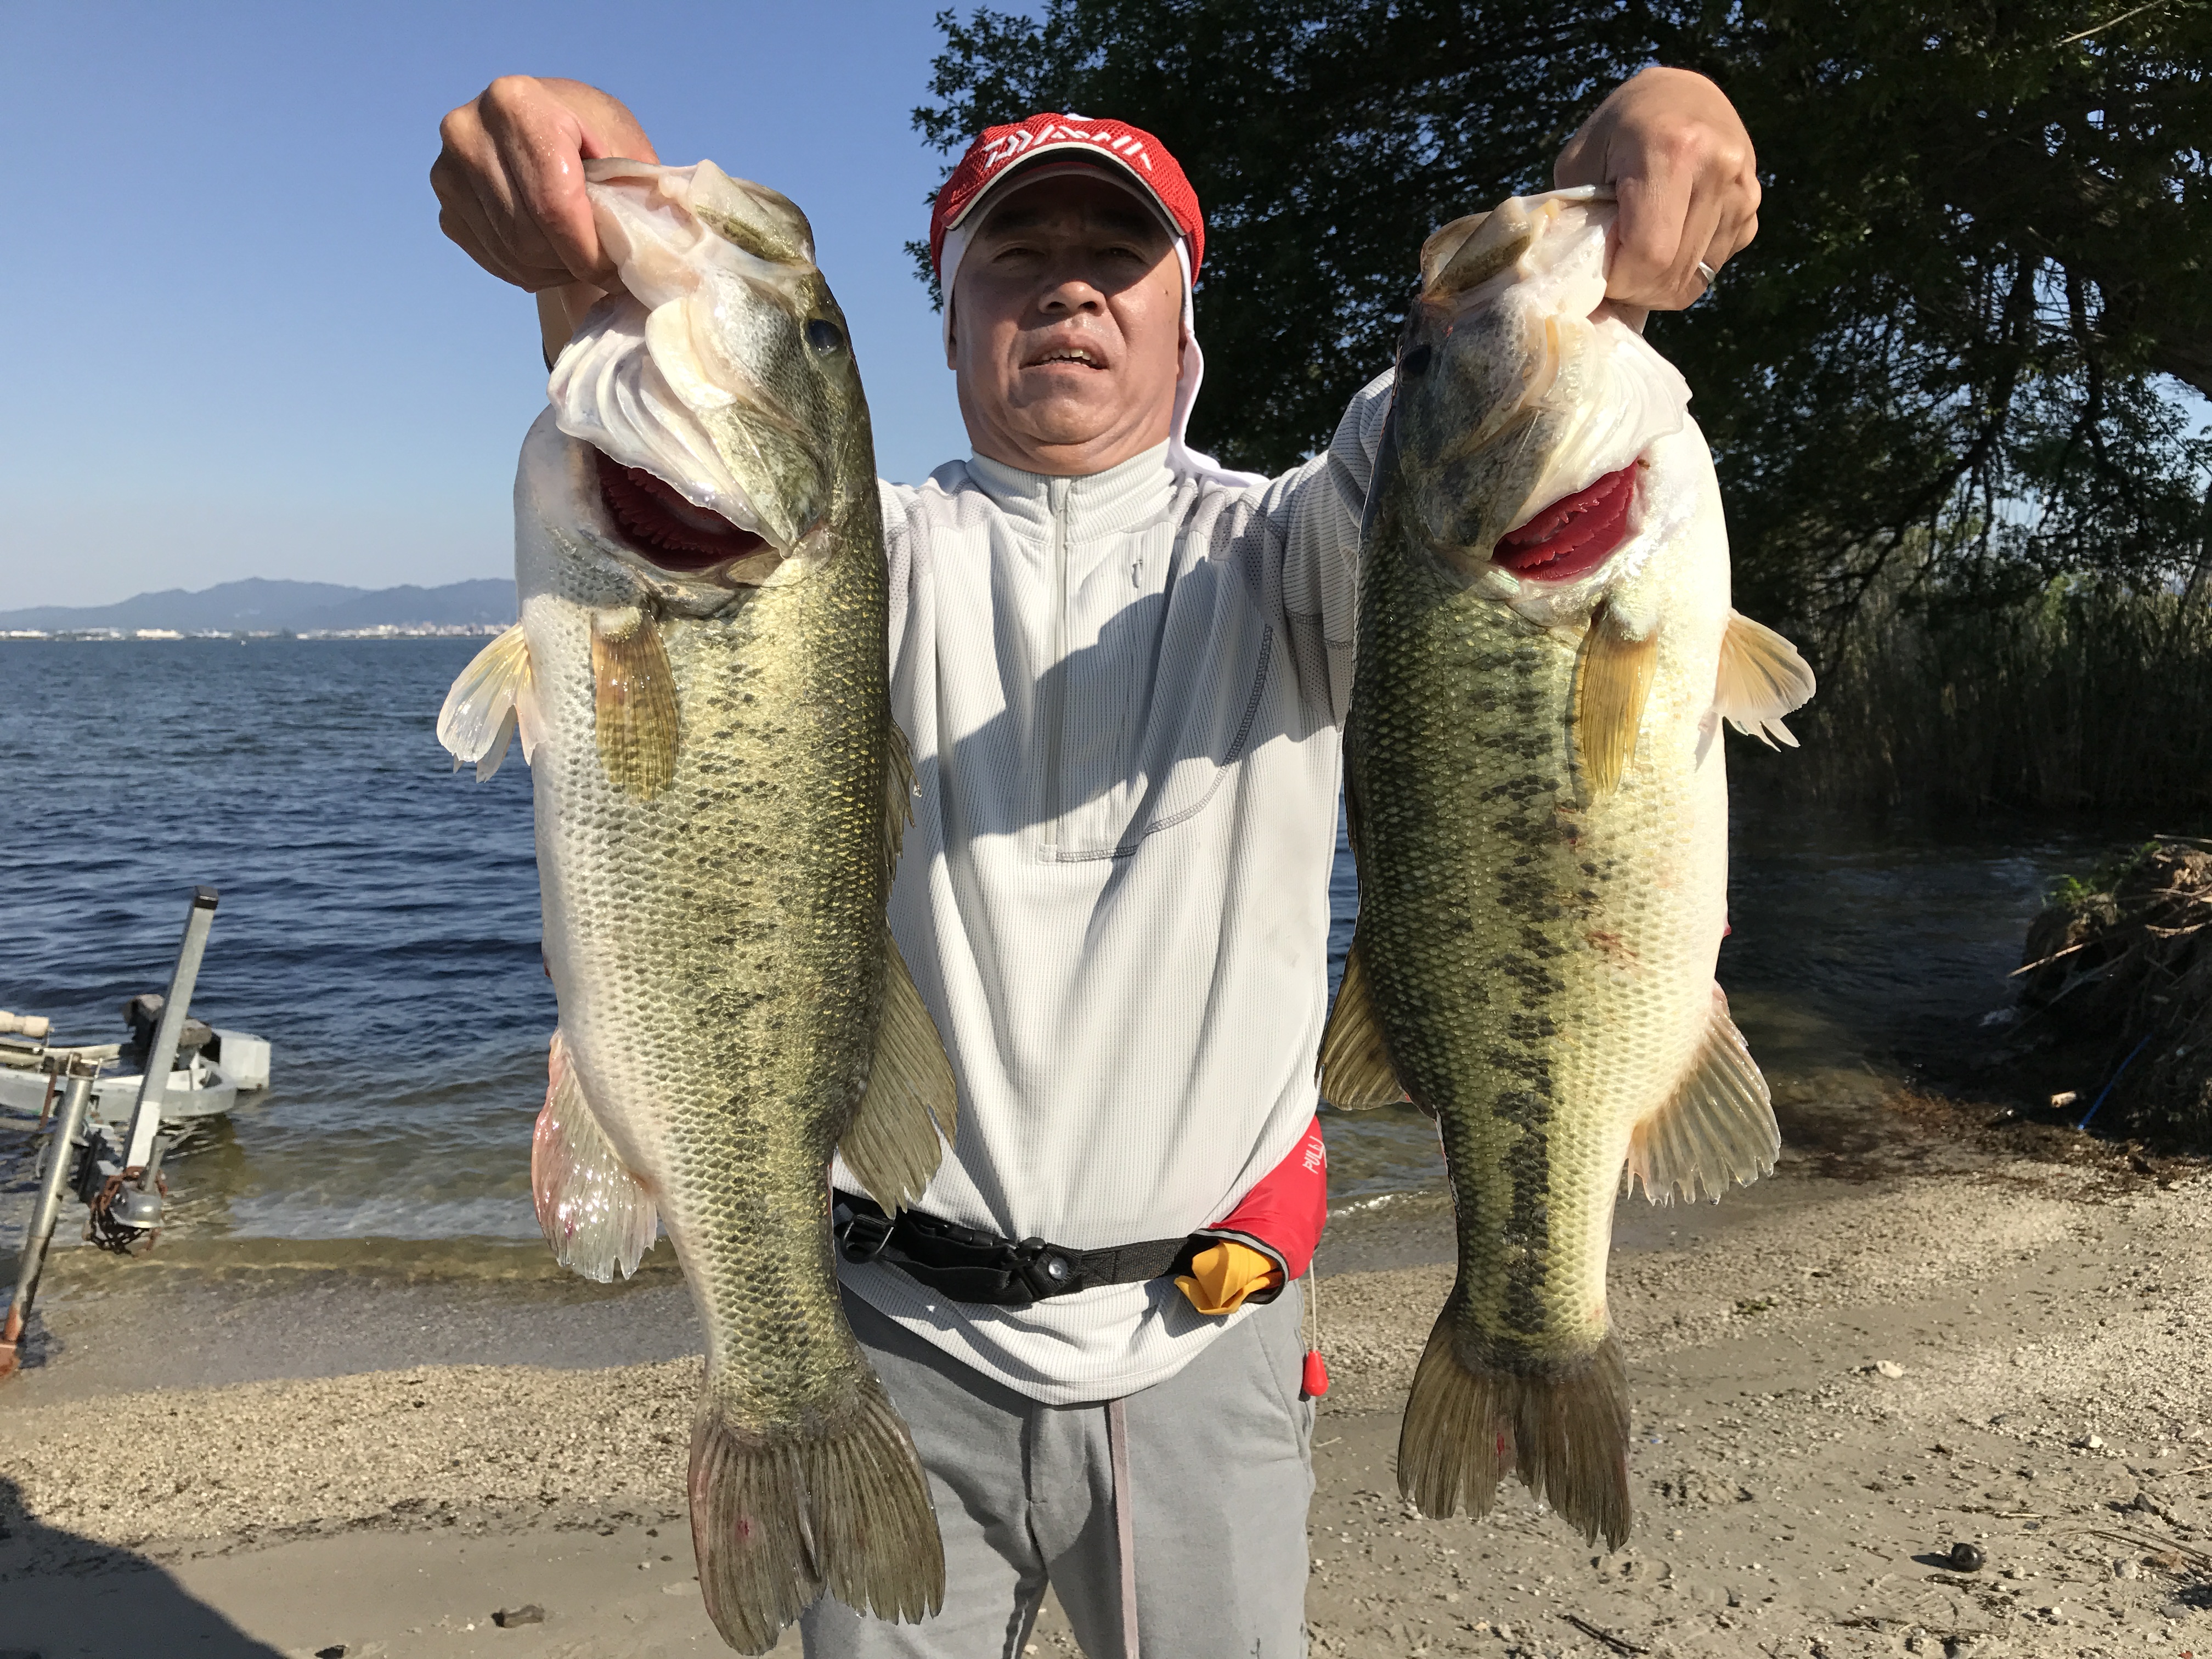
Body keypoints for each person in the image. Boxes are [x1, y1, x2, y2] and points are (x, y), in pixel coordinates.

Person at [433, 67, 1760, 1659]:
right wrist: (579, 207)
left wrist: (1658, 126)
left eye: (1117, 257)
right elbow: (678, 432)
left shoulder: (1295, 549)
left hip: (1204, 1336)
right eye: (1016, 254)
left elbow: (1462, 445)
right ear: (948, 327)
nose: (1067, 286)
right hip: (884, 1334)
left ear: (1185, 332)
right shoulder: (853, 560)